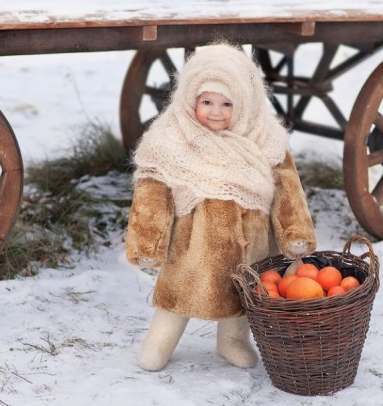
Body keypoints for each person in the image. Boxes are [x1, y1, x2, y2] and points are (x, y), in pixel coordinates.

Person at [125, 42, 316, 371]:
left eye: (227, 103)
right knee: (179, 293)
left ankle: (232, 340)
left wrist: (294, 232)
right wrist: (148, 241)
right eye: (207, 101)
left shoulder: (265, 137)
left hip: (251, 241)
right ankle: (159, 342)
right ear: (191, 99)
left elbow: (288, 189)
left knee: (243, 292)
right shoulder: (171, 138)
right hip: (193, 244)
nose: (216, 111)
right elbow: (151, 192)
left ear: (243, 104)